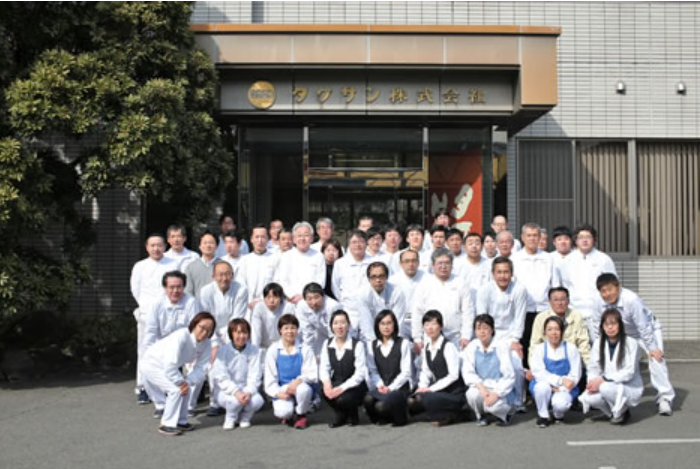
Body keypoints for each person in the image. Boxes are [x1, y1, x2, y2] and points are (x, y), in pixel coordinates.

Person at [594, 274, 675, 416]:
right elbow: (598, 325)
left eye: (610, 289)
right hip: (623, 333)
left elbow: (643, 326)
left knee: (656, 359)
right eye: (603, 291)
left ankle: (665, 398)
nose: (607, 294)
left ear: (618, 287)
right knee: (616, 361)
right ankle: (616, 395)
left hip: (647, 330)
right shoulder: (598, 302)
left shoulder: (631, 299)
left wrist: (652, 348)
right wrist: (599, 345)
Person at [141, 312, 215, 436]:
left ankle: (181, 421)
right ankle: (166, 424)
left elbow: (202, 368)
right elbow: (170, 365)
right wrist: (180, 382)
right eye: (202, 328)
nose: (204, 332)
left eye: (209, 330)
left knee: (186, 388)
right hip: (151, 365)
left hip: (168, 367)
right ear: (194, 325)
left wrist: (187, 382)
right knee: (175, 390)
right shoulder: (181, 336)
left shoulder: (207, 343)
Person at [195, 260, 249, 415]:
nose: (224, 278)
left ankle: (239, 398)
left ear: (232, 275)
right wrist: (214, 343)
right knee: (214, 364)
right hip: (210, 334)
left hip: (234, 333)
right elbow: (206, 319)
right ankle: (215, 402)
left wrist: (228, 341)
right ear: (213, 276)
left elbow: (237, 317)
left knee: (236, 364)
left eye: (227, 274)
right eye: (220, 274)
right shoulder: (205, 291)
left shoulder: (241, 290)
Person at [475, 257, 527, 412]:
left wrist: (515, 340)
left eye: (506, 272)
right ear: (493, 274)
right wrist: (488, 339)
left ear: (512, 273)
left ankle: (518, 401)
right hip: (490, 335)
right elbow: (482, 317)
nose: (503, 276)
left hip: (511, 336)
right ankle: (491, 399)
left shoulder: (519, 289)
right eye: (499, 272)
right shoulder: (484, 290)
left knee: (516, 366)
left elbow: (519, 317)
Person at [130, 233, 177, 404]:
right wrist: (147, 308)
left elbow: (176, 288)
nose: (156, 248)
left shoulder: (173, 264)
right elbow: (135, 290)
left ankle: (164, 387)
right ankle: (143, 386)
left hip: (167, 314)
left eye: (159, 245)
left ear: (165, 247)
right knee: (144, 350)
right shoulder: (140, 266)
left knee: (166, 352)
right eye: (153, 245)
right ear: (147, 247)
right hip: (146, 315)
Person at [579, 309, 643, 425]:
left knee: (605, 388)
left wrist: (603, 379)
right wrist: (592, 383)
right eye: (606, 324)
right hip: (607, 384)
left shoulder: (631, 343)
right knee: (589, 398)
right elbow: (593, 368)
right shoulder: (598, 343)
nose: (610, 327)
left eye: (613, 324)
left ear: (620, 325)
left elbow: (629, 372)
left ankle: (622, 411)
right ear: (602, 327)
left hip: (629, 386)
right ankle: (611, 413)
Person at [511, 222, 559, 369]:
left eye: (535, 235)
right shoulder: (515, 258)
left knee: (544, 344)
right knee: (524, 344)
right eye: (529, 235)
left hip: (544, 309)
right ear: (522, 237)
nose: (532, 238)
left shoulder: (548, 258)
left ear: (540, 238)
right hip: (523, 310)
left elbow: (555, 284)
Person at [409, 310, 467, 426]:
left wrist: (430, 389)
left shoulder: (448, 346)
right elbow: (425, 372)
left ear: (441, 326)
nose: (430, 328)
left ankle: (454, 414)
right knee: (412, 399)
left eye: (433, 324)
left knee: (428, 398)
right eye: (426, 324)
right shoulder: (427, 347)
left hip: (454, 393)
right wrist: (422, 388)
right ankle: (440, 412)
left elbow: (453, 375)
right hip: (439, 391)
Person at [557, 224, 617, 336]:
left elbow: (613, 286)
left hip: (599, 313)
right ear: (576, 241)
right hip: (574, 314)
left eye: (588, 237)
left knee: (599, 344)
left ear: (594, 240)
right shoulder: (567, 261)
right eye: (581, 237)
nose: (584, 240)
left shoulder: (604, 259)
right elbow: (564, 287)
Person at [413, 248, 474, 352]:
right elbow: (417, 312)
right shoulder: (424, 284)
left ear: (452, 265)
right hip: (430, 336)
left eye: (447, 263)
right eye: (440, 263)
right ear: (433, 265)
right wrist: (417, 338)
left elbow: (468, 311)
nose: (443, 266)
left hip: (455, 337)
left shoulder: (460, 283)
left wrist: (466, 336)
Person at [264, 314, 318, 429]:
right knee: (283, 412)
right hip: (283, 388)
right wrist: (278, 393)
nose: (290, 331)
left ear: (297, 330)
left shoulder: (305, 349)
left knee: (304, 390)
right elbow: (270, 377)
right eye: (286, 328)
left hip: (300, 386)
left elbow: (312, 374)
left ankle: (301, 414)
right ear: (280, 330)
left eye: (293, 328)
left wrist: (298, 381)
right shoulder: (273, 350)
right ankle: (290, 411)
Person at [210, 318, 264, 430]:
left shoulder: (254, 350)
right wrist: (236, 392)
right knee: (234, 401)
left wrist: (249, 392)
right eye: (238, 333)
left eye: (244, 332)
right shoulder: (222, 351)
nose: (241, 336)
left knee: (257, 401)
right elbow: (221, 377)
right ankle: (230, 417)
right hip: (226, 391)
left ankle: (245, 417)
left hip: (245, 388)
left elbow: (255, 374)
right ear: (231, 334)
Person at [462, 314, 515, 426]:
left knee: (493, 407)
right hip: (483, 387)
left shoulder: (501, 346)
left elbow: (509, 376)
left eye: (485, 328)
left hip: (499, 387)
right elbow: (468, 372)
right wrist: (481, 388)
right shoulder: (472, 347)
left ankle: (505, 415)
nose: (482, 332)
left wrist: (496, 394)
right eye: (478, 328)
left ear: (492, 330)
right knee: (471, 394)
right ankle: (482, 416)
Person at [529, 316, 582, 428]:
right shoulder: (539, 349)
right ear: (545, 332)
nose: (553, 333)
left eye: (557, 329)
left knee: (561, 404)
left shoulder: (571, 348)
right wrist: (560, 381)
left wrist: (562, 388)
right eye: (550, 329)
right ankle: (543, 415)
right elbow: (539, 373)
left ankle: (558, 414)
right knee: (541, 387)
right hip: (546, 384)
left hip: (565, 387)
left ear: (562, 331)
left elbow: (575, 374)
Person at [320, 310, 368, 428]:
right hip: (337, 380)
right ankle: (342, 414)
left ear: (349, 325)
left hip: (355, 385)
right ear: (331, 326)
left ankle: (352, 413)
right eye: (336, 323)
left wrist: (342, 388)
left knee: (343, 399)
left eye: (343, 322)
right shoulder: (327, 343)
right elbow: (324, 367)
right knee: (324, 392)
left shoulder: (357, 345)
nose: (339, 326)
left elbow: (360, 373)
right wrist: (327, 383)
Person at [364, 310, 412, 426]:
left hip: (398, 388)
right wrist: (380, 385)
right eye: (382, 323)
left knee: (380, 406)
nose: (386, 327)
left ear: (394, 324)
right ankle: (382, 417)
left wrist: (390, 388)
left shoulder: (403, 343)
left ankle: (400, 418)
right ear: (377, 326)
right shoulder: (371, 345)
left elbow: (406, 372)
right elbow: (373, 371)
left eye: (389, 323)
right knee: (368, 399)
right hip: (382, 387)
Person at [529, 287, 591, 368]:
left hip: (572, 362)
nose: (559, 303)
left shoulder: (577, 316)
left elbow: (583, 344)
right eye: (556, 300)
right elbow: (535, 344)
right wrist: (533, 367)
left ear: (568, 301)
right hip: (548, 363)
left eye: (563, 299)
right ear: (550, 302)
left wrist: (588, 367)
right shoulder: (541, 318)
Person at [143, 271, 200, 353]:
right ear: (165, 288)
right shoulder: (156, 304)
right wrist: (147, 353)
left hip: (185, 348)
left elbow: (194, 330)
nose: (175, 291)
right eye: (171, 287)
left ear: (184, 287)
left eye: (179, 287)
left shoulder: (191, 303)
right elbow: (151, 331)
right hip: (161, 348)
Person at [331, 230, 372, 335]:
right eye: (354, 242)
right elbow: (335, 286)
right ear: (349, 244)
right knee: (349, 339)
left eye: (361, 241)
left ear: (366, 243)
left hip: (369, 309)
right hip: (348, 309)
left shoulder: (374, 262)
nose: (357, 245)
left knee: (369, 338)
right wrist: (344, 299)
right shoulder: (340, 263)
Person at [275, 221, 326, 304]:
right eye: (299, 236)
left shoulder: (319, 256)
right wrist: (292, 295)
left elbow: (321, 281)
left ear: (312, 238)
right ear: (294, 239)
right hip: (291, 299)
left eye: (306, 235)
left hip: (313, 300)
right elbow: (283, 280)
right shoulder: (286, 256)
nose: (302, 239)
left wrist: (305, 296)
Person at [357, 262, 407, 343]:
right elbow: (366, 324)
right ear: (368, 279)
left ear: (387, 277)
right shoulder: (363, 294)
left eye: (381, 276)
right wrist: (375, 344)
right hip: (370, 337)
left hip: (393, 335)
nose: (378, 280)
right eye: (374, 277)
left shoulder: (396, 292)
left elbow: (398, 322)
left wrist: (392, 343)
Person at [236, 224, 278, 312]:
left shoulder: (275, 259)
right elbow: (240, 282)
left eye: (263, 237)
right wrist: (249, 301)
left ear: (268, 239)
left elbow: (276, 282)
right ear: (251, 239)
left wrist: (263, 300)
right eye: (257, 237)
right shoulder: (244, 260)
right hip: (247, 305)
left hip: (268, 304)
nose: (260, 240)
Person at [295, 282, 342, 358]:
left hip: (338, 334)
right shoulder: (301, 306)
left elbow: (334, 331)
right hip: (320, 333)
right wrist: (308, 352)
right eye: (309, 299)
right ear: (305, 299)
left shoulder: (333, 306)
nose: (314, 302)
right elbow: (306, 331)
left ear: (323, 296)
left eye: (316, 297)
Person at [392, 249, 428, 340]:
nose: (410, 264)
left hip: (423, 323)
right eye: (407, 261)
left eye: (414, 261)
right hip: (401, 322)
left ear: (418, 262)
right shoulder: (392, 281)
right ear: (400, 263)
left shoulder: (428, 279)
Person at [250, 282, 296, 351]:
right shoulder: (259, 307)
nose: (271, 301)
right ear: (264, 298)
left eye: (275, 297)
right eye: (268, 297)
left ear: (281, 298)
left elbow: (292, 329)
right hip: (263, 346)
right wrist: (255, 350)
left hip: (283, 346)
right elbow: (256, 332)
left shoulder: (288, 307)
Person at [183, 230, 218, 299]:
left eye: (211, 243)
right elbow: (188, 291)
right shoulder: (190, 267)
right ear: (200, 246)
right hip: (197, 305)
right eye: (205, 243)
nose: (208, 245)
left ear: (216, 246)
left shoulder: (224, 266)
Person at [460, 232, 490, 304]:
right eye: (470, 244)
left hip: (485, 303)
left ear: (482, 246)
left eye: (477, 244)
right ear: (464, 247)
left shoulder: (490, 265)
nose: (474, 246)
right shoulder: (457, 265)